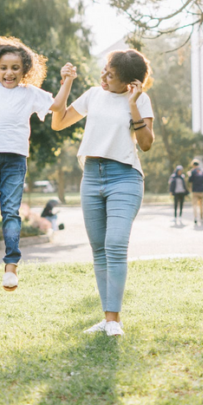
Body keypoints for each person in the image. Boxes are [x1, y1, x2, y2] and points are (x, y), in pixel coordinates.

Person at [0, 32, 77, 291]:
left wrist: (67, 81)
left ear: (25, 70)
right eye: (3, 68)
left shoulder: (30, 93)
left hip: (15, 159)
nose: (9, 73)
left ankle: (11, 267)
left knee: (11, 212)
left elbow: (57, 105)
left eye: (15, 68)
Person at [52, 49, 154, 337]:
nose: (104, 77)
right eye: (105, 71)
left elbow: (146, 143)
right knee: (99, 251)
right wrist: (67, 83)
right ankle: (108, 319)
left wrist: (133, 104)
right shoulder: (94, 95)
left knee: (116, 244)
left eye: (112, 75)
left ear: (130, 83)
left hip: (125, 177)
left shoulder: (141, 99)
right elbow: (58, 122)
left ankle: (114, 320)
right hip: (92, 176)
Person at [187, 159, 203, 225]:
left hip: (195, 190)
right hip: (201, 190)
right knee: (201, 205)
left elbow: (190, 180)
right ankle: (202, 218)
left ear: (193, 165)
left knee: (194, 205)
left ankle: (195, 217)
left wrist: (189, 175)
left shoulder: (192, 171)